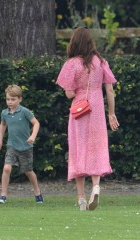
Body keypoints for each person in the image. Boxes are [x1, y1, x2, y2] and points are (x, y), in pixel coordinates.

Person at [56, 27, 119, 211]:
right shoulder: (100, 62)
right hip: (98, 108)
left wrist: (77, 90)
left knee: (78, 148)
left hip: (79, 110)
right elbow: (109, 90)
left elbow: (68, 93)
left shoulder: (71, 64)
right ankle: (96, 186)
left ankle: (82, 198)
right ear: (90, 42)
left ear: (74, 42)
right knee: (97, 146)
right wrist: (111, 113)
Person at [0, 84, 43, 203]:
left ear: (20, 99)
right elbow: (3, 124)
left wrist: (32, 136)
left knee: (28, 172)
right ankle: (3, 195)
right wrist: (0, 140)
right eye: (8, 99)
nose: (10, 102)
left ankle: (37, 193)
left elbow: (36, 123)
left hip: (26, 147)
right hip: (11, 146)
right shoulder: (4, 113)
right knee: (6, 168)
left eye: (13, 99)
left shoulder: (25, 111)